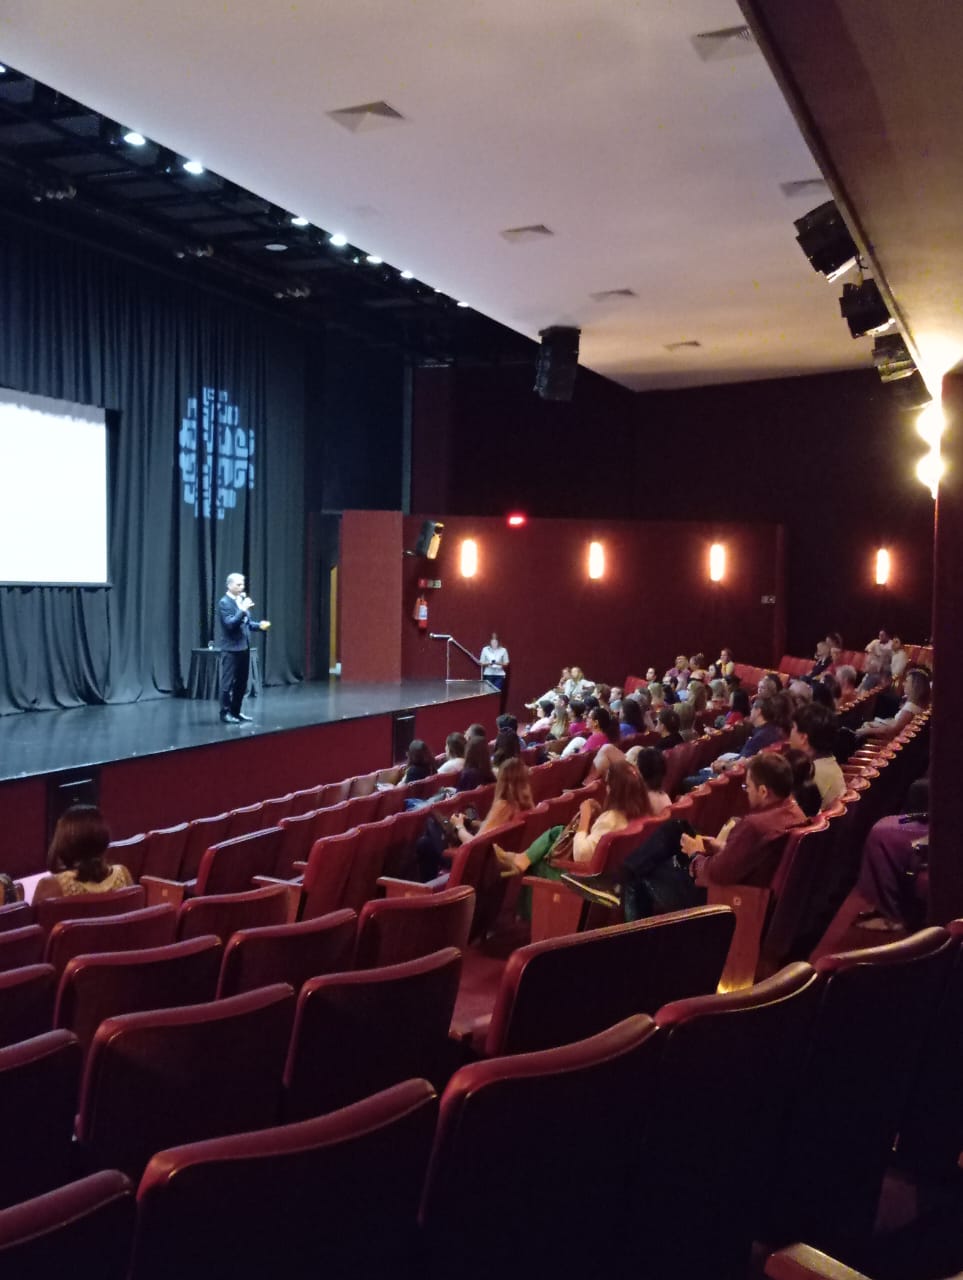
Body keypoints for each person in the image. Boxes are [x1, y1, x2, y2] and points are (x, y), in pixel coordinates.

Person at [494, 759, 649, 879]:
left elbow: (581, 855)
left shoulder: (611, 818)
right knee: (558, 831)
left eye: (608, 785)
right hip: (612, 874)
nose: (606, 789)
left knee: (538, 863)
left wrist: (585, 816)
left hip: (584, 880)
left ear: (615, 789)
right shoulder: (643, 815)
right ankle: (520, 858)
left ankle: (522, 864)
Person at [33, 805, 133, 903]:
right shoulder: (123, 874)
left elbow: (32, 919)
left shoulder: (49, 886)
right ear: (104, 838)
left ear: (63, 841)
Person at [217, 572, 270, 724]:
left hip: (244, 648)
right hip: (231, 649)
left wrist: (259, 626)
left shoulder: (241, 600)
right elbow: (230, 624)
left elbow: (246, 623)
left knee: (241, 682)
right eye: (238, 584)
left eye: (243, 584)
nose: (242, 587)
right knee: (227, 683)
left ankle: (236, 711)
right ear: (229, 585)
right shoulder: (224, 603)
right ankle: (225, 713)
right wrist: (243, 609)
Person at [450, 757, 534, 845]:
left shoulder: (504, 806)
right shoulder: (527, 805)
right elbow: (496, 828)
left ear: (502, 781)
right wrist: (472, 823)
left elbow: (475, 844)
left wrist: (459, 826)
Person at [790, 703, 846, 809]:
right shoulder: (828, 763)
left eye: (793, 728)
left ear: (803, 738)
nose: (790, 733)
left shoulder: (812, 774)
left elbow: (791, 815)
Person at [855, 669, 930, 741]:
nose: (903, 684)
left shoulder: (911, 708)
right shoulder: (916, 705)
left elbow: (893, 731)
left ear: (915, 686)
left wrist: (867, 731)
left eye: (907, 681)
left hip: (886, 742)